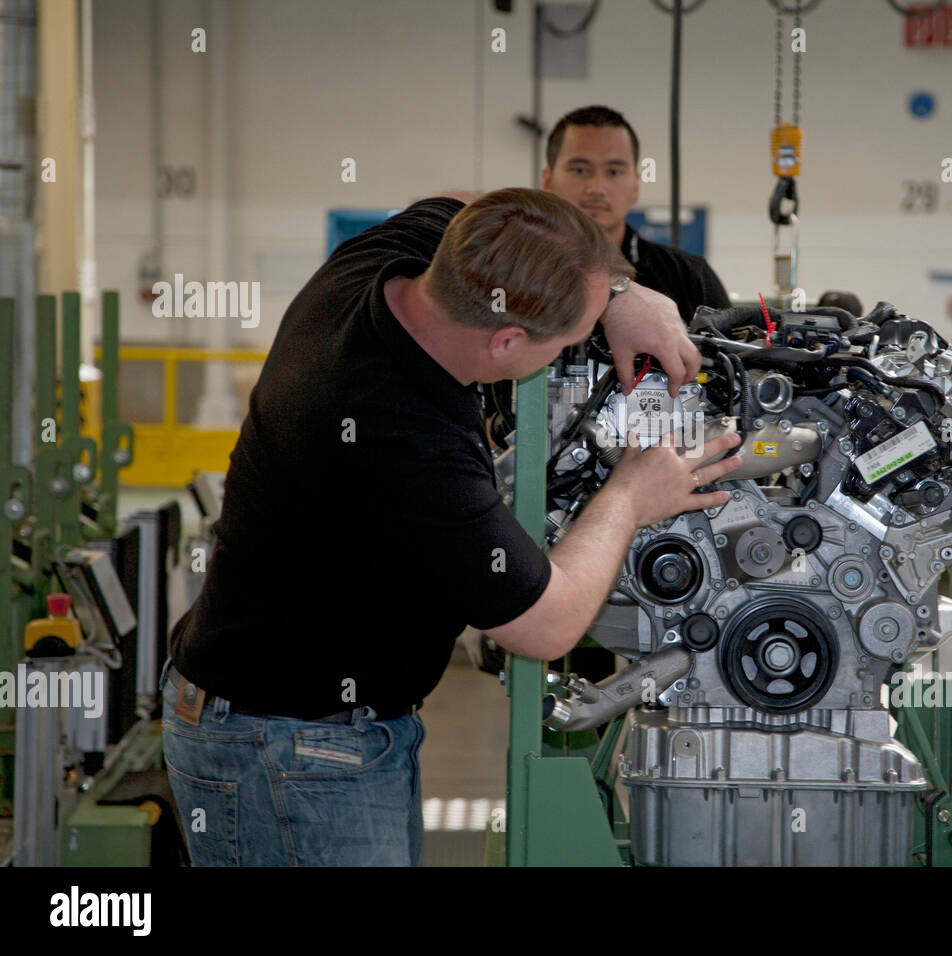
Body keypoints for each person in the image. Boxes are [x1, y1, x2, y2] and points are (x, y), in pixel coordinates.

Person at [160, 187, 744, 866]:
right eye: (567, 342)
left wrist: (618, 294)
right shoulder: (400, 435)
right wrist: (630, 496)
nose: (571, 351)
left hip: (312, 729)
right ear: (506, 341)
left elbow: (471, 201)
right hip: (294, 753)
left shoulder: (379, 266)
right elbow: (546, 623)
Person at [542, 104, 730, 323]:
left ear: (635, 185)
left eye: (614, 171)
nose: (596, 187)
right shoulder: (513, 274)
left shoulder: (690, 278)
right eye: (580, 170)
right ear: (548, 182)